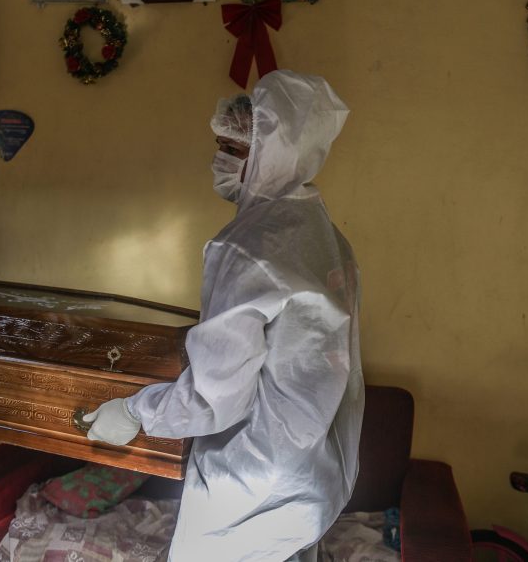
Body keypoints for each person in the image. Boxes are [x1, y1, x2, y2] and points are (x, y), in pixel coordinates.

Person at [84, 70, 364, 562]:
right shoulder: (325, 237)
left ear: (272, 152)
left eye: (231, 148)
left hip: (251, 485)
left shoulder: (246, 247)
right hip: (311, 475)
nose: (218, 161)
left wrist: (134, 412)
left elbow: (218, 399)